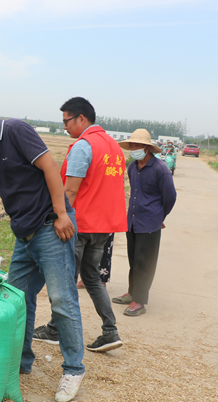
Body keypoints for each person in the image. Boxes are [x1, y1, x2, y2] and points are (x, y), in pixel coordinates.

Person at [0, 100, 85, 402]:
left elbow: (50, 167)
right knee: (16, 299)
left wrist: (61, 212)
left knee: (62, 297)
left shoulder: (15, 131)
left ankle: (74, 369)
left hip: (50, 227)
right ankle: (21, 363)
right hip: (24, 234)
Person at [32, 98, 127, 353]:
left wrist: (56, 219)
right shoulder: (114, 147)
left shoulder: (84, 146)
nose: (64, 127)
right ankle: (110, 331)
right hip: (104, 226)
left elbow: (70, 191)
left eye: (66, 121)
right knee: (92, 277)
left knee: (65, 278)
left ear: (81, 119)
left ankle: (55, 330)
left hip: (81, 224)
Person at [111, 129, 176, 316]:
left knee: (144, 262)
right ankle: (132, 293)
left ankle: (140, 301)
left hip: (150, 223)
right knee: (133, 259)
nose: (133, 148)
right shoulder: (132, 167)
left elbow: (170, 197)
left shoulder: (160, 169)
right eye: (131, 145)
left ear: (147, 148)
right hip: (132, 221)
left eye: (137, 145)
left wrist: (159, 217)